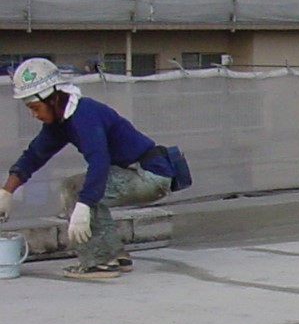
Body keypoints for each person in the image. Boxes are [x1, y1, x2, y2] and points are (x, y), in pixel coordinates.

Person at [1, 57, 179, 280]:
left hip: (150, 174)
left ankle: (98, 262)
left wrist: (83, 205)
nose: (34, 114)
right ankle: (115, 255)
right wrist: (7, 191)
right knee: (86, 189)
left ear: (54, 99)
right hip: (143, 173)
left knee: (75, 189)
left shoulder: (84, 115)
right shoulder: (61, 121)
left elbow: (99, 161)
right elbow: (35, 155)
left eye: (35, 107)